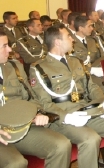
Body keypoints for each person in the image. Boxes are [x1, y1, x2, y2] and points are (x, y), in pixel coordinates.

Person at [29, 25, 104, 168]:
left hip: (85, 110)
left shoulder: (75, 61)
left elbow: (91, 86)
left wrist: (103, 101)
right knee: (90, 139)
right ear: (57, 42)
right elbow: (44, 103)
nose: (72, 39)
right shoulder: (39, 68)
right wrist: (66, 117)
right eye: (68, 37)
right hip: (61, 117)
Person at [0, 30, 72, 168]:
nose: (9, 49)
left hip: (21, 126)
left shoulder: (14, 67)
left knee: (61, 145)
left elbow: (31, 97)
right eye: (4, 46)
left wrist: (37, 112)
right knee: (16, 163)